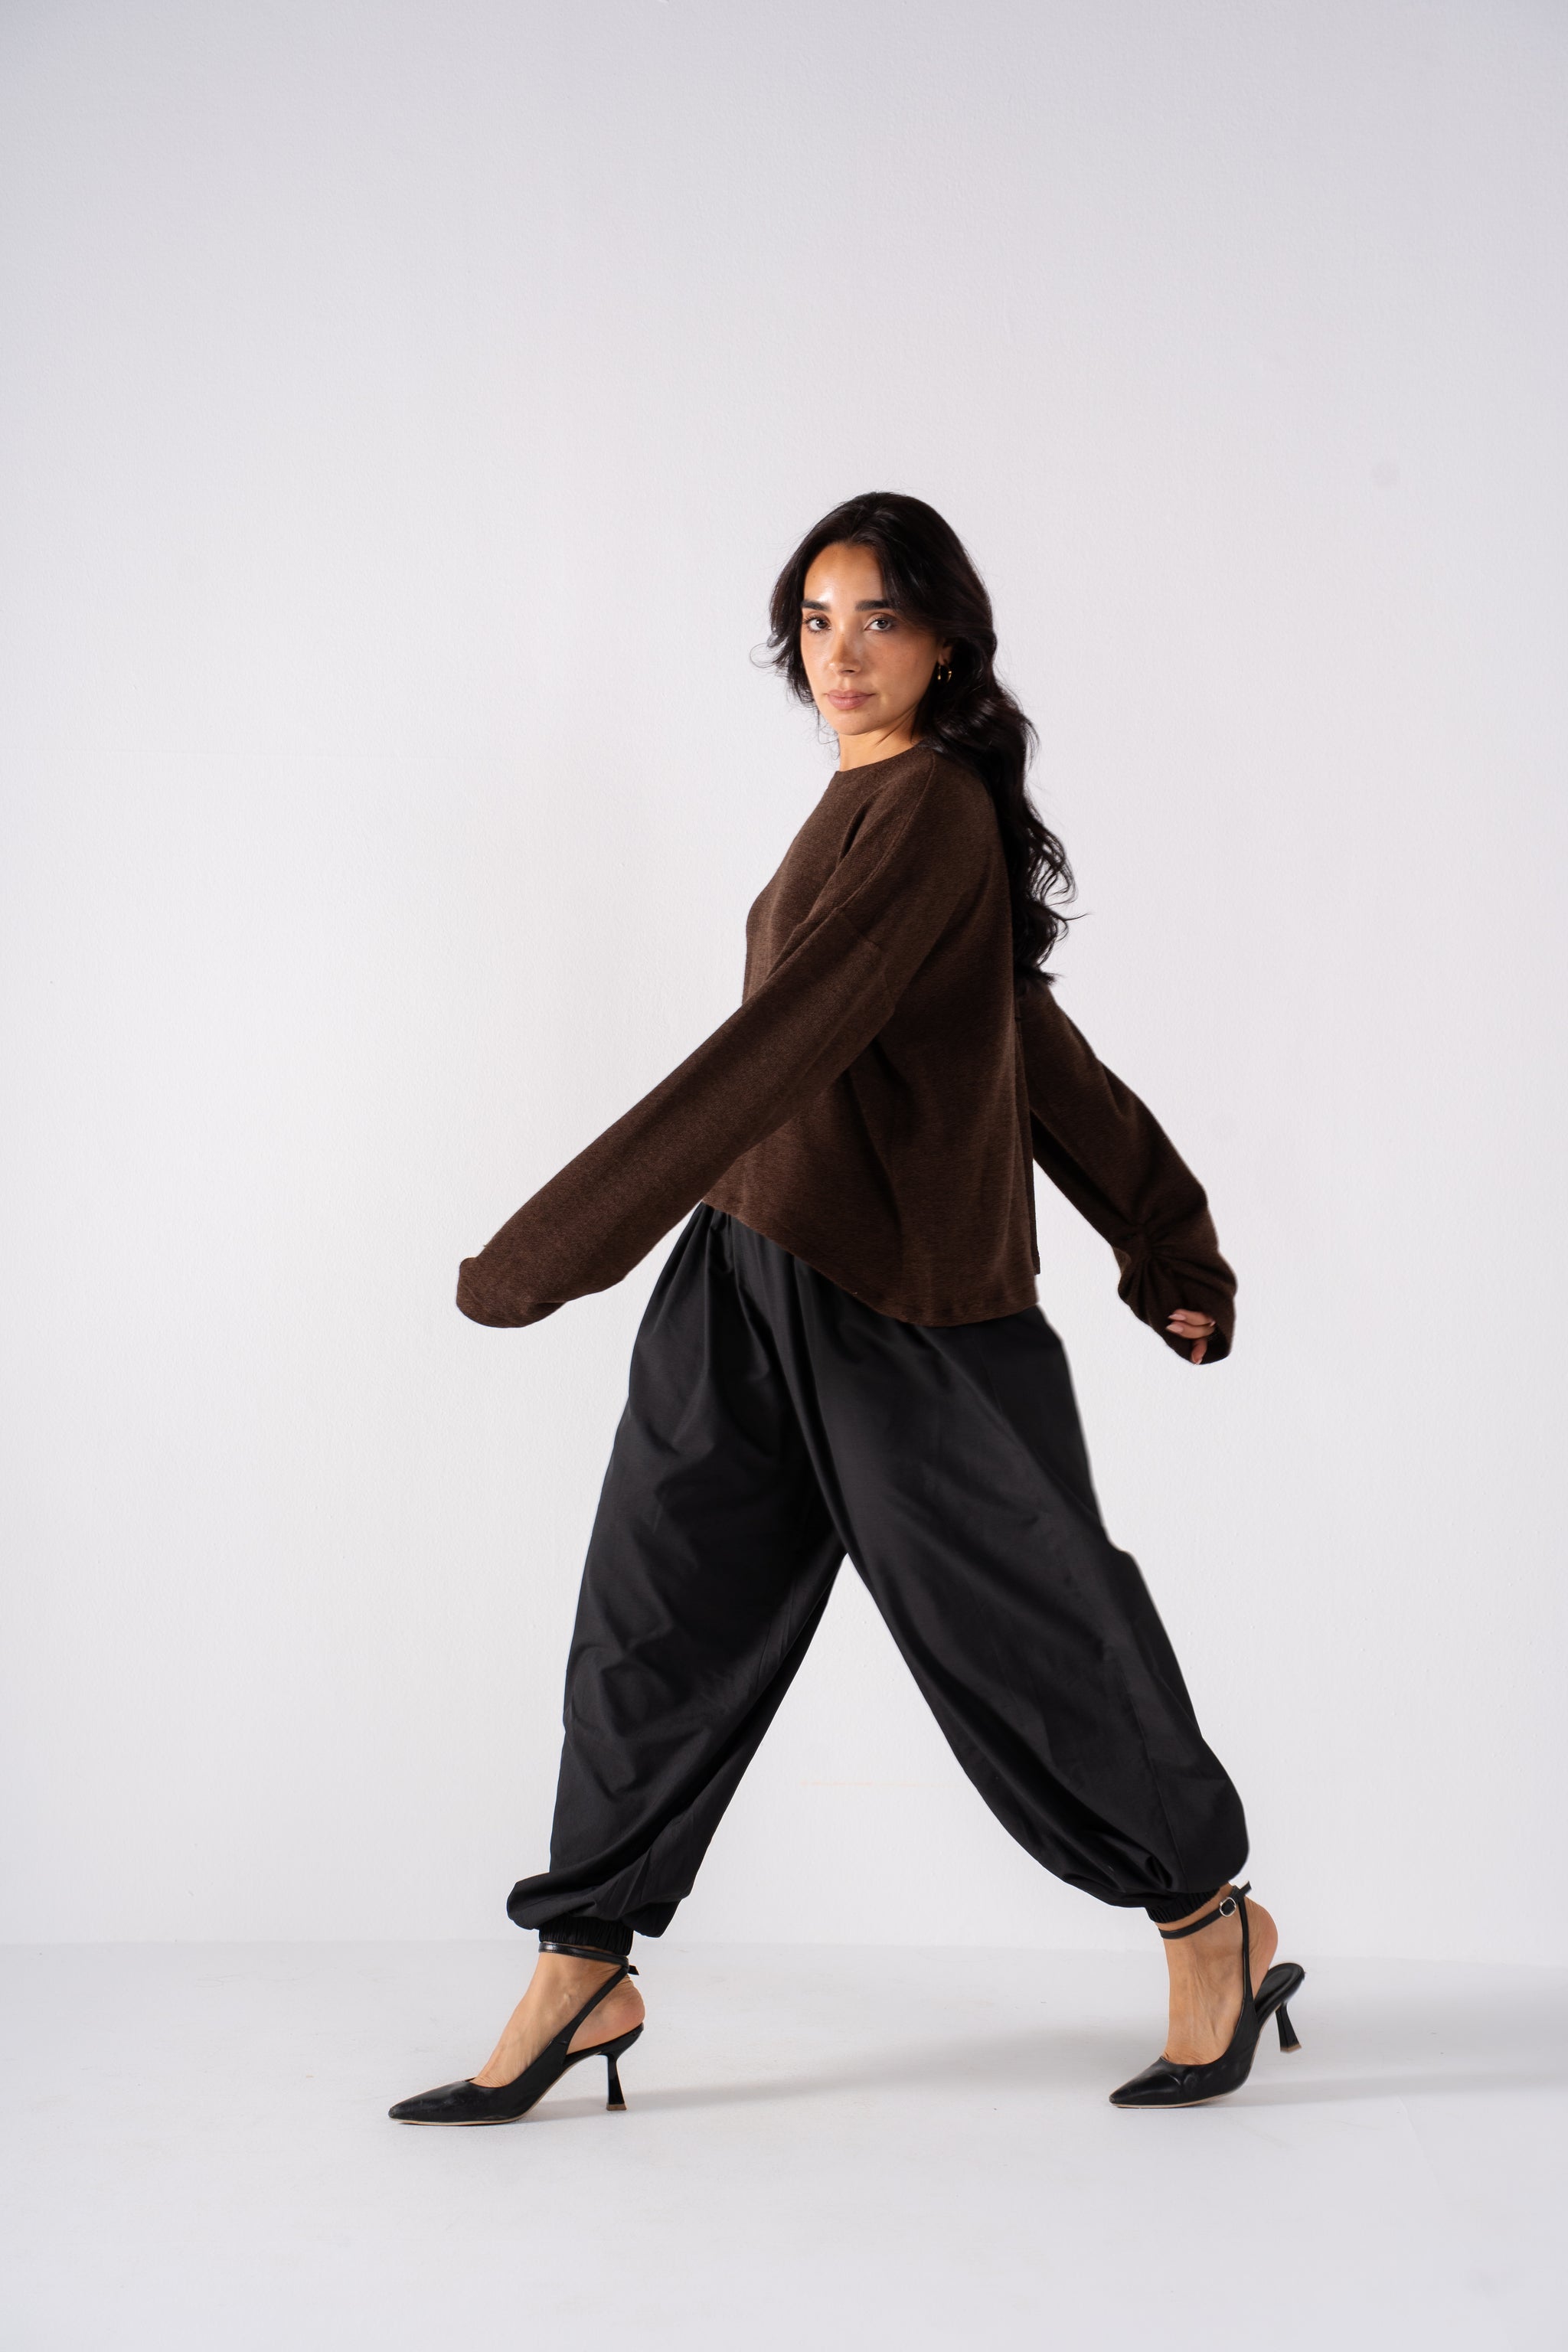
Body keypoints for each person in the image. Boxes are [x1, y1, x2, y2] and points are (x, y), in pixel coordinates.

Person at [390, 492, 1303, 2127]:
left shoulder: (933, 809)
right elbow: (1022, 1040)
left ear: (946, 641)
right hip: (744, 1274)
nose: (842, 652)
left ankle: (1208, 1921)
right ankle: (581, 1965)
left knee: (1026, 1631)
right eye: (816, 621)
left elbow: (789, 1041)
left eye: (879, 617)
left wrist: (555, 1245)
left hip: (903, 1303)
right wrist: (1164, 1239)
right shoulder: (864, 807)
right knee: (652, 1620)